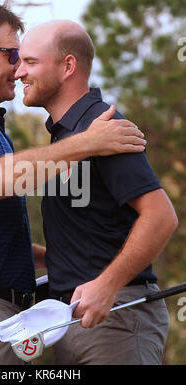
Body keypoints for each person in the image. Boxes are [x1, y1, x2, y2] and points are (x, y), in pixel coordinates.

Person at [0, 1, 146, 365]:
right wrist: (89, 142)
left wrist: (62, 259)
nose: (18, 68)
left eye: (24, 57)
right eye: (11, 54)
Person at [14, 20, 178, 365]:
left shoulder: (105, 127)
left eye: (29, 62)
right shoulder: (68, 137)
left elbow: (161, 215)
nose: (18, 73)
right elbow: (93, 233)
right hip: (77, 322)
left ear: (67, 66)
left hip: (116, 322)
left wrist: (107, 285)